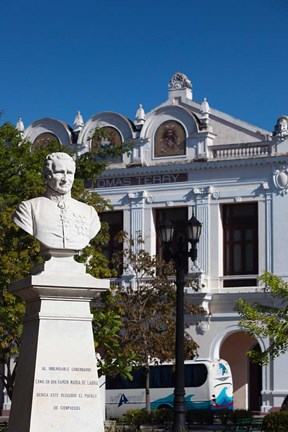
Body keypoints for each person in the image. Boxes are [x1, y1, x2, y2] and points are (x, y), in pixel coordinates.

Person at [13, 152, 100, 251]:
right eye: (59, 172)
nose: (65, 179)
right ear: (46, 176)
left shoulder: (89, 212)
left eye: (70, 173)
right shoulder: (28, 208)